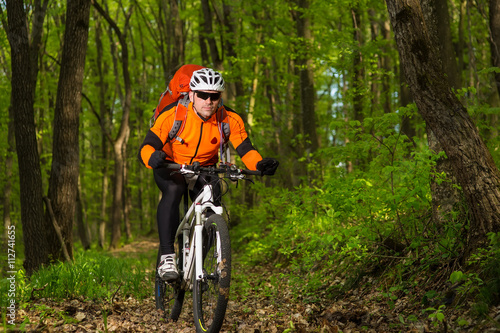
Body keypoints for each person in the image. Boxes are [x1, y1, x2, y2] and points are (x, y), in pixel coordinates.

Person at [138, 67, 279, 281]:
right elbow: (146, 146)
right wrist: (152, 157)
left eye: (214, 96)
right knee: (174, 190)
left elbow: (245, 149)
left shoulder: (229, 118)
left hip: (205, 167)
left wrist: (260, 164)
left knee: (213, 197)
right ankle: (167, 256)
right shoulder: (173, 115)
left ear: (220, 97)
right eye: (203, 95)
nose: (208, 101)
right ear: (192, 94)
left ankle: (198, 260)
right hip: (171, 165)